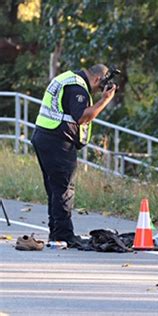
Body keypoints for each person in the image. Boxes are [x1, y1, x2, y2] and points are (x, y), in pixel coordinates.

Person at [31, 64, 116, 247]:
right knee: (64, 188)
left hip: (45, 137)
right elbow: (82, 117)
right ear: (96, 79)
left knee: (54, 188)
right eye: (99, 87)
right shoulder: (77, 87)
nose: (97, 91)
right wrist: (105, 100)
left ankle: (56, 233)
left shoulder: (68, 78)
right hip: (57, 140)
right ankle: (63, 236)